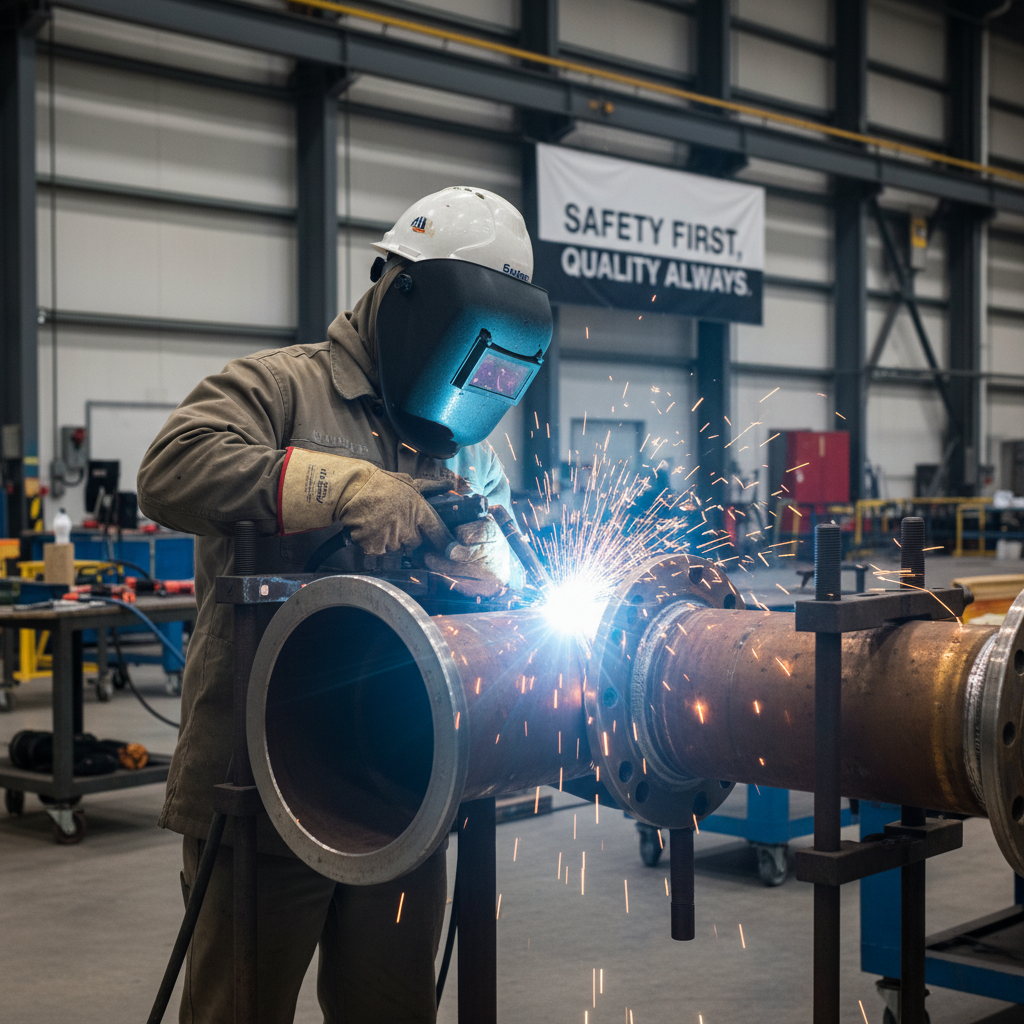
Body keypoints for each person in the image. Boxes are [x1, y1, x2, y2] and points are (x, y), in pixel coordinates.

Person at [137, 186, 552, 1024]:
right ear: (401, 291)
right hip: (259, 785)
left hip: (403, 786)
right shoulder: (281, 388)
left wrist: (483, 581)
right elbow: (171, 469)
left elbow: (497, 577)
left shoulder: (456, 439)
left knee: (392, 1011)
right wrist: (336, 484)